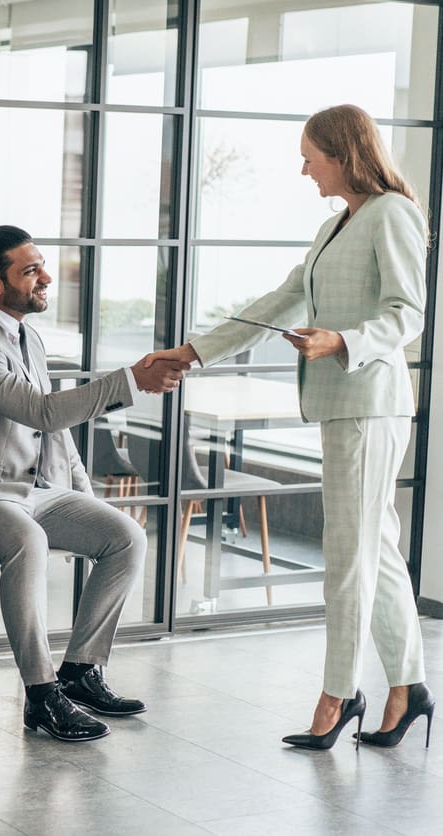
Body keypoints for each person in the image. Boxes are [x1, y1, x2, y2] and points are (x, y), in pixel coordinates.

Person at [146, 104, 433, 750]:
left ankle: (339, 693)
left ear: (344, 153)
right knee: (375, 551)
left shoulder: (393, 215)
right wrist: (194, 352)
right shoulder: (338, 226)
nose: (304, 169)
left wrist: (341, 340)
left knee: (346, 558)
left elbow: (407, 313)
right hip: (342, 406)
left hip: (369, 403)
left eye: (311, 156)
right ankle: (408, 686)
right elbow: (278, 301)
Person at [0, 224, 188, 742]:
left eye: (41, 264)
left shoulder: (30, 336)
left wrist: (82, 495)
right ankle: (42, 694)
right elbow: (42, 412)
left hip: (37, 489)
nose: (47, 276)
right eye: (30, 270)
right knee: (28, 541)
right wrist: (131, 379)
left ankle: (81, 671)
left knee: (125, 536)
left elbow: (55, 435)